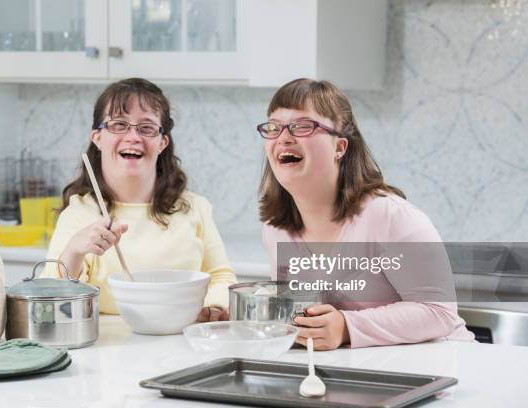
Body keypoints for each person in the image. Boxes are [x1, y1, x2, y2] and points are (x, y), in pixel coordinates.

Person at [258, 78, 474, 350]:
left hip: (445, 366)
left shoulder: (390, 217)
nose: (283, 137)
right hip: (360, 371)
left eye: (302, 126)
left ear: (340, 148)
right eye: (274, 128)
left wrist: (347, 327)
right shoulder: (275, 229)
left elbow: (440, 313)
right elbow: (300, 317)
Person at [43, 78, 235, 321]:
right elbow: (51, 298)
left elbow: (221, 277)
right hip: (108, 351)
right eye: (119, 124)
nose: (133, 136)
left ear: (162, 142)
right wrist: (75, 250)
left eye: (146, 128)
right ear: (98, 138)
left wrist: (212, 309)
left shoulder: (196, 208)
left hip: (184, 343)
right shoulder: (79, 214)